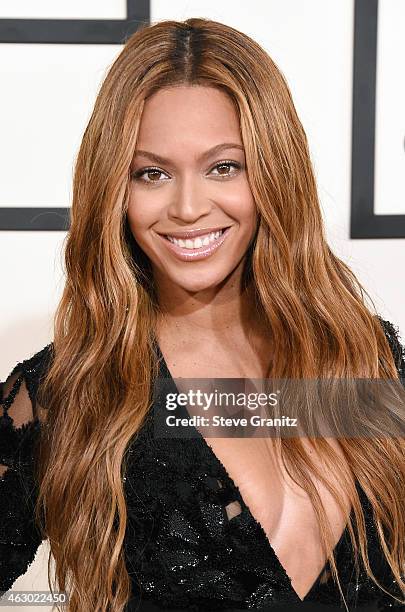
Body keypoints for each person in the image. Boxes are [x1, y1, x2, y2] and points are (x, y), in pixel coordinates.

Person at [0, 16, 404, 612]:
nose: (188, 207)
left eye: (224, 166)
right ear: (116, 188)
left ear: (274, 173)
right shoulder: (70, 390)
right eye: (152, 173)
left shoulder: (363, 361)